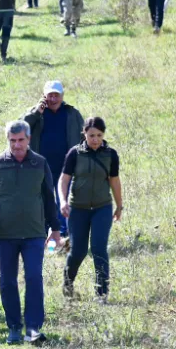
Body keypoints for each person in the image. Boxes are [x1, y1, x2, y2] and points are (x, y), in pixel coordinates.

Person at [0, 120, 61, 345]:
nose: (16, 145)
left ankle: (33, 328)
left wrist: (55, 229)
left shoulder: (40, 163)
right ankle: (14, 326)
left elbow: (49, 197)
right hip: (5, 234)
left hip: (34, 233)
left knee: (34, 278)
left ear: (29, 139)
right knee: (7, 281)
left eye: (20, 140)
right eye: (12, 141)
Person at [58, 117, 123, 303]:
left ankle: (101, 293)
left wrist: (119, 206)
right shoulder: (74, 154)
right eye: (91, 135)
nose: (95, 139)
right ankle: (68, 284)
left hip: (102, 208)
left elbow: (114, 181)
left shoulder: (111, 155)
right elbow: (64, 180)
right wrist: (63, 201)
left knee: (98, 248)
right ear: (84, 134)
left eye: (99, 135)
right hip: (78, 209)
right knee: (78, 251)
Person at [22, 80, 84, 238]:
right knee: (42, 198)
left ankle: (63, 233)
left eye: (57, 95)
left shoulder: (72, 113)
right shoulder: (36, 113)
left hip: (66, 166)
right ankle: (43, 232)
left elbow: (84, 136)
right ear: (44, 96)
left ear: (62, 96)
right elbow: (20, 128)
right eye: (50, 95)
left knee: (64, 198)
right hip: (40, 165)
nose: (53, 99)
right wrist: (37, 112)